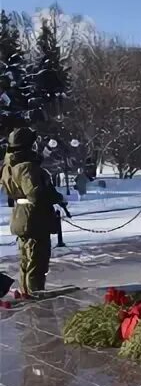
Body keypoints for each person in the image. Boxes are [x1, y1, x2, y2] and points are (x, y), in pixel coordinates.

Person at [0, 127, 66, 297]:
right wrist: (54, 197)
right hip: (34, 218)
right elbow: (36, 193)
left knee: (25, 258)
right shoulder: (27, 167)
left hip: (21, 215)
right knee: (37, 259)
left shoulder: (8, 166)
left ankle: (26, 291)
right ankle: (35, 293)